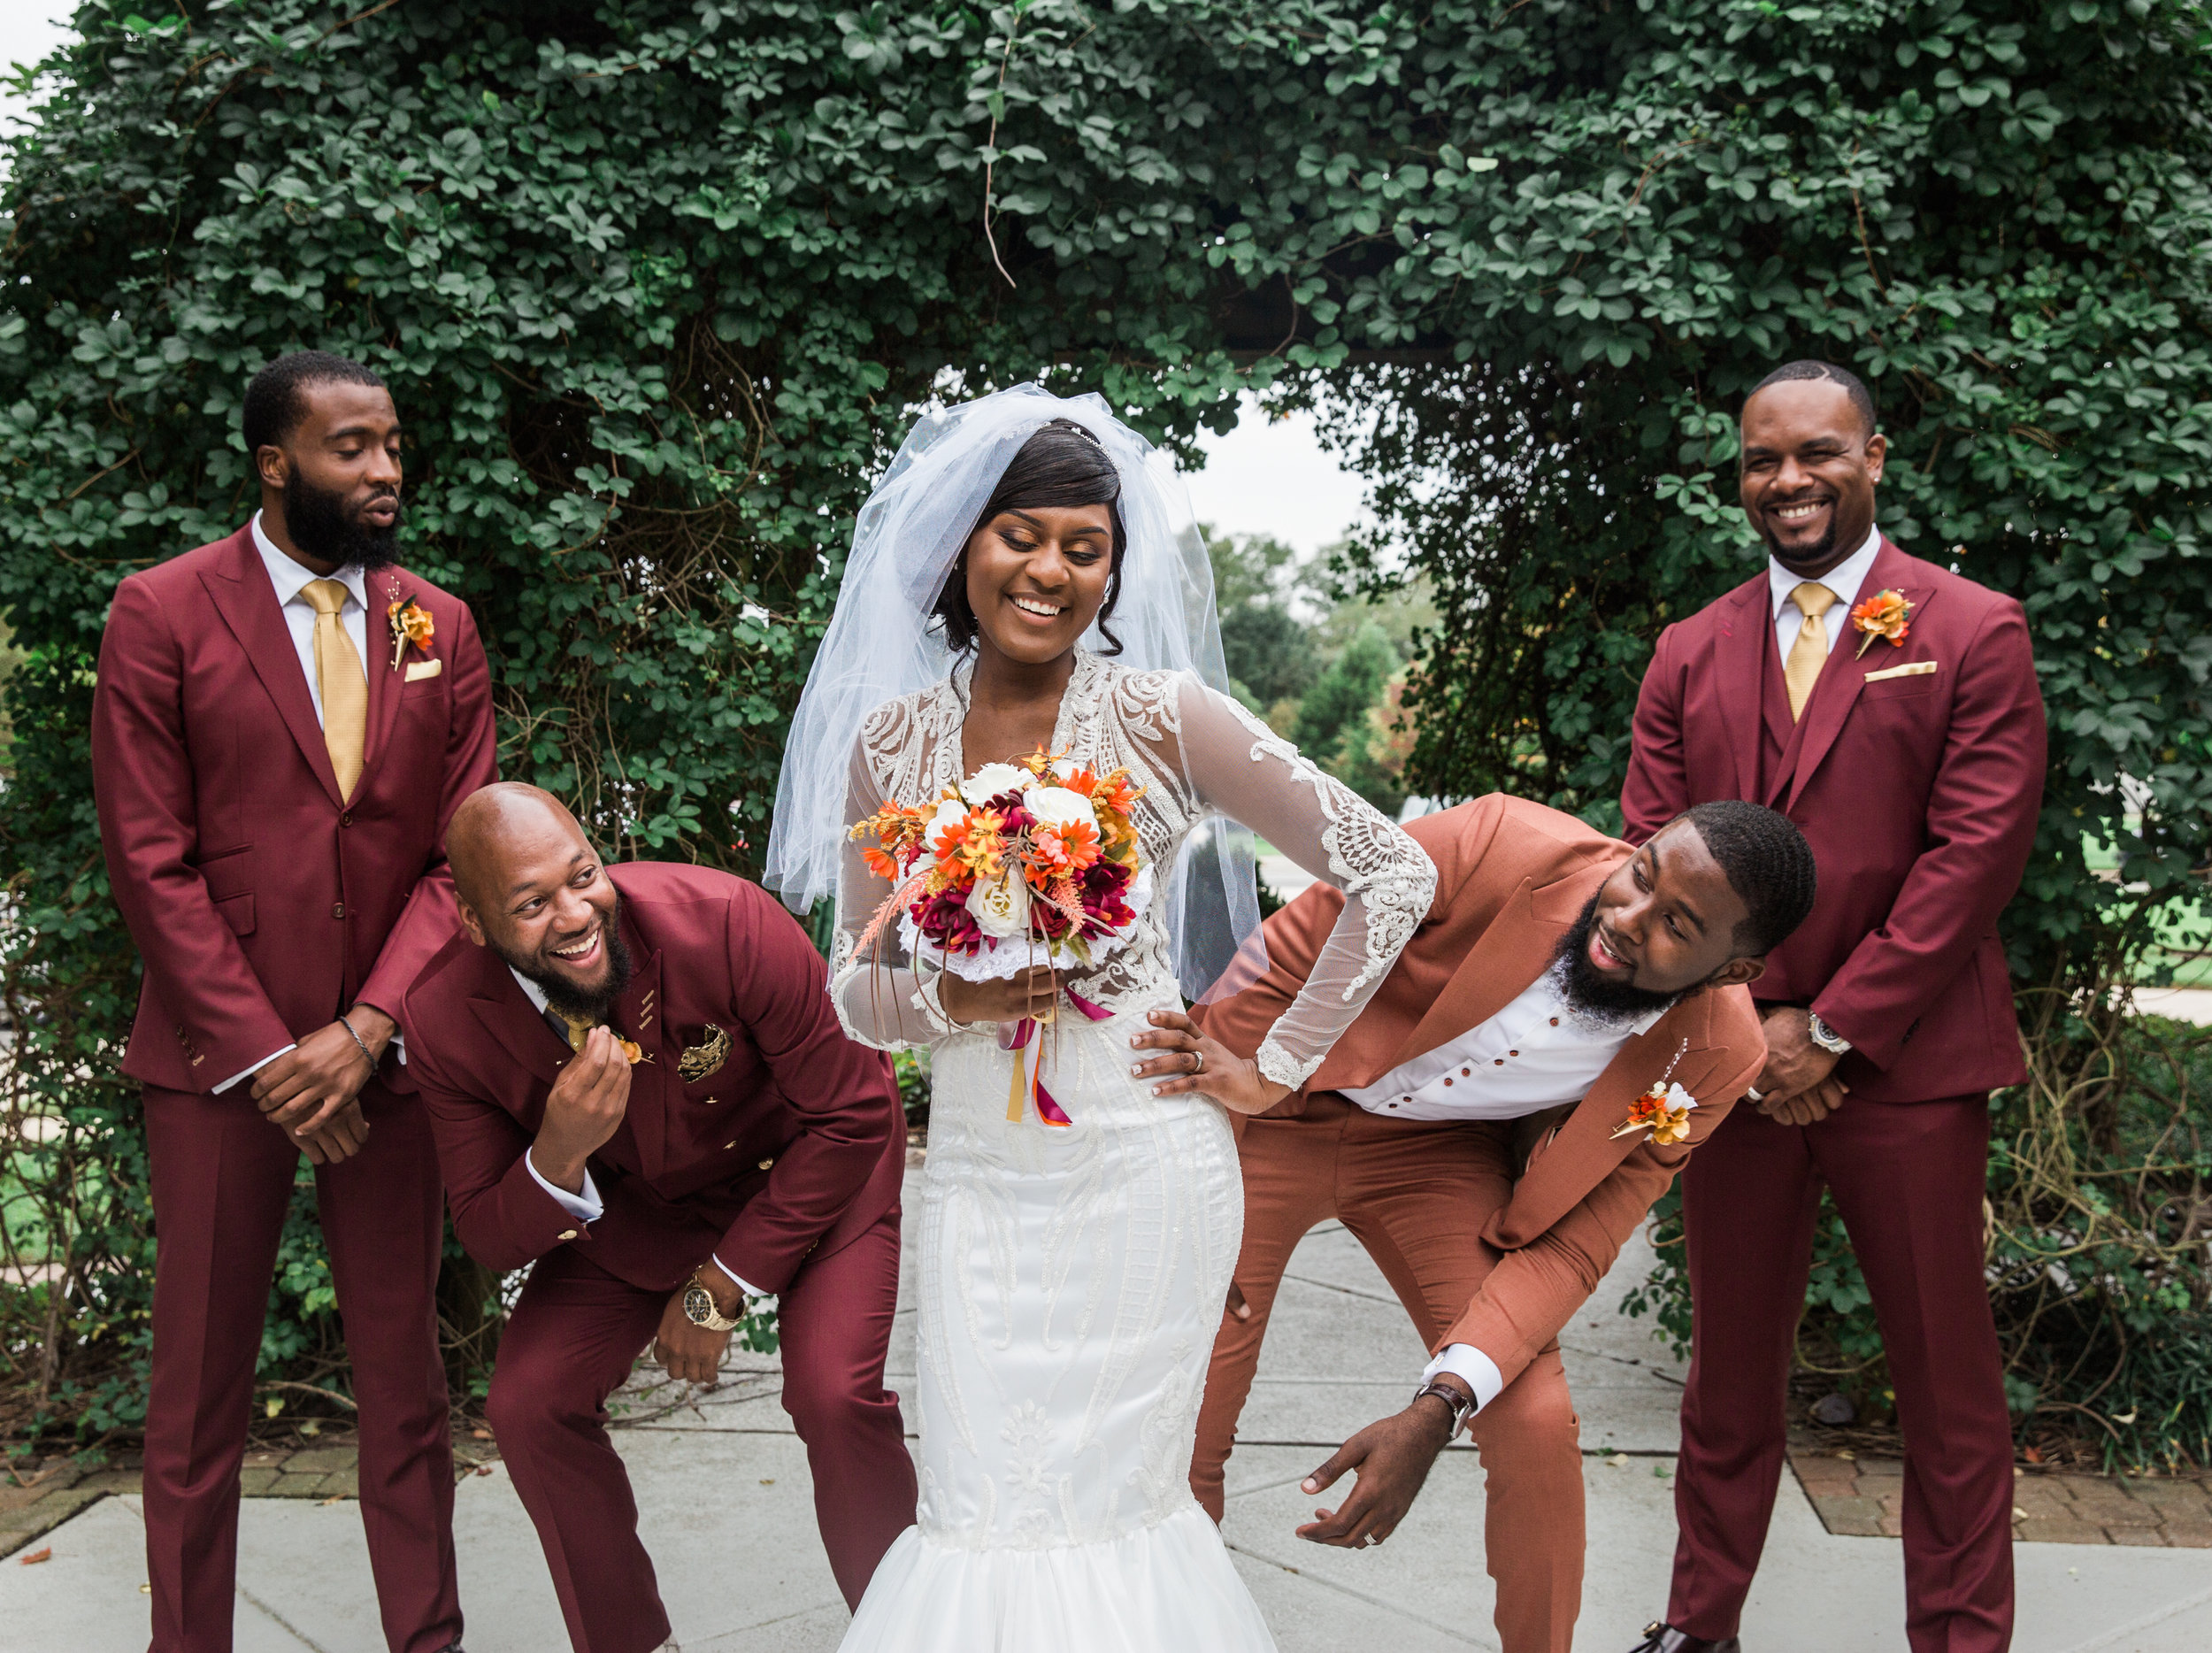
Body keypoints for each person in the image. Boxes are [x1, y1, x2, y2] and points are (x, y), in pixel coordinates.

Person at [762, 385, 1436, 1651]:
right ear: (962, 545)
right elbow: (853, 990)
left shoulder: (1160, 719)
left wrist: (1275, 1065)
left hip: (1145, 1174)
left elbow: (1395, 870)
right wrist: (948, 995)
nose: (1051, 570)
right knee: (980, 1500)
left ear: (1115, 572)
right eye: (1023, 535)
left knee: (1118, 1508)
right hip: (978, 1183)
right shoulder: (891, 744)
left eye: (1087, 547)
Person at [1619, 360, 2046, 1653]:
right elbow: (1650, 855)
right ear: (1739, 474)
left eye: (1817, 453)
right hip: (1734, 1075)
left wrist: (1838, 1025)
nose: (1788, 481)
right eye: (1762, 459)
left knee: (1947, 1391)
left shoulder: (1972, 628)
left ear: (1875, 455)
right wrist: (1751, 1030)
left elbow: (1973, 855)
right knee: (1727, 1383)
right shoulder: (1689, 650)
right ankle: (1700, 1633)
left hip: (1905, 1072)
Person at [1189, 794, 1810, 1653]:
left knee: (1532, 1419)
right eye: (1641, 874)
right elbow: (1293, 948)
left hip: (1429, 1159)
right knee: (1188, 1392)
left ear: (1733, 971)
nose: (1627, 916)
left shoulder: (1715, 1053)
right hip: (1272, 1110)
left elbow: (1578, 1240)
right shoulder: (1493, 840)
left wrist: (1438, 1403)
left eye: (1677, 922)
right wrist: (1197, 1164)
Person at [91, 350, 495, 1653]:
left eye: (392, 445)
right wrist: (272, 1057)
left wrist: (367, 1029)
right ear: (276, 464)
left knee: (407, 1385)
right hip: (220, 1070)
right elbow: (150, 859)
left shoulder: (441, 623)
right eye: (352, 448)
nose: (385, 471)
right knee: (199, 1401)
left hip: (389, 1062)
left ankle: (424, 1639)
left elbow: (461, 857)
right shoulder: (159, 612)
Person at [398, 784, 913, 1653]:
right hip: (641, 1213)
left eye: (582, 875)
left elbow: (853, 1114)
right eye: (530, 903)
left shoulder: (721, 919)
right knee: (530, 1400)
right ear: (475, 924)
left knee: (832, 1391)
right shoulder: (442, 1020)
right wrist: (555, 1152)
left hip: (811, 1177)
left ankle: (913, 1629)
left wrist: (725, 1283)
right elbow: (488, 1230)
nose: (573, 914)